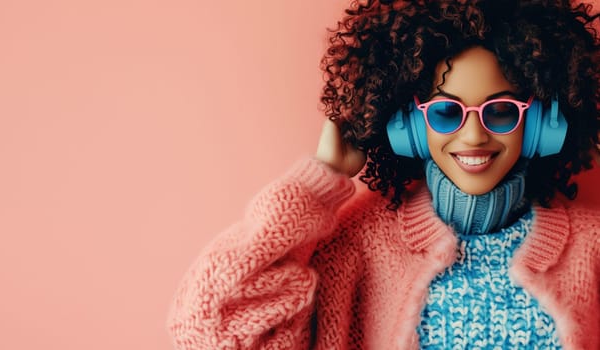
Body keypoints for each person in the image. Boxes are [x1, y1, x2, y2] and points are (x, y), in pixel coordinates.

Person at [167, 0, 600, 348]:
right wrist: (319, 180)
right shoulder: (355, 245)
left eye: (502, 110)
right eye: (446, 112)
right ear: (408, 125)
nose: (473, 135)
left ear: (544, 121)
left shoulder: (592, 247)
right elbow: (208, 329)